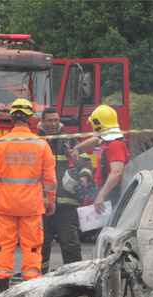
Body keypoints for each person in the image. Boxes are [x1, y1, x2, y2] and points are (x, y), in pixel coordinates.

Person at [0, 99, 56, 294]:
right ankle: (29, 291)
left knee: (4, 246)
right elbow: (49, 178)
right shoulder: (41, 145)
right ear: (31, 118)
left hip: (6, 205)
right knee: (31, 247)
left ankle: (2, 290)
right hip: (31, 206)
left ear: (11, 118)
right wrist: (50, 199)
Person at [39, 108, 92, 274]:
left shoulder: (70, 141)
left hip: (66, 204)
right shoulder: (37, 141)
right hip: (42, 204)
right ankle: (40, 279)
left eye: (56, 120)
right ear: (42, 122)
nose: (53, 123)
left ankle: (74, 279)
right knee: (41, 245)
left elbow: (86, 162)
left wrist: (83, 175)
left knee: (71, 245)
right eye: (49, 120)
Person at [70, 104, 129, 213]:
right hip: (106, 192)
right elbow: (97, 139)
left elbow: (116, 172)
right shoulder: (108, 140)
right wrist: (78, 148)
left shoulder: (114, 145)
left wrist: (101, 195)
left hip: (112, 196)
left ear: (97, 124)